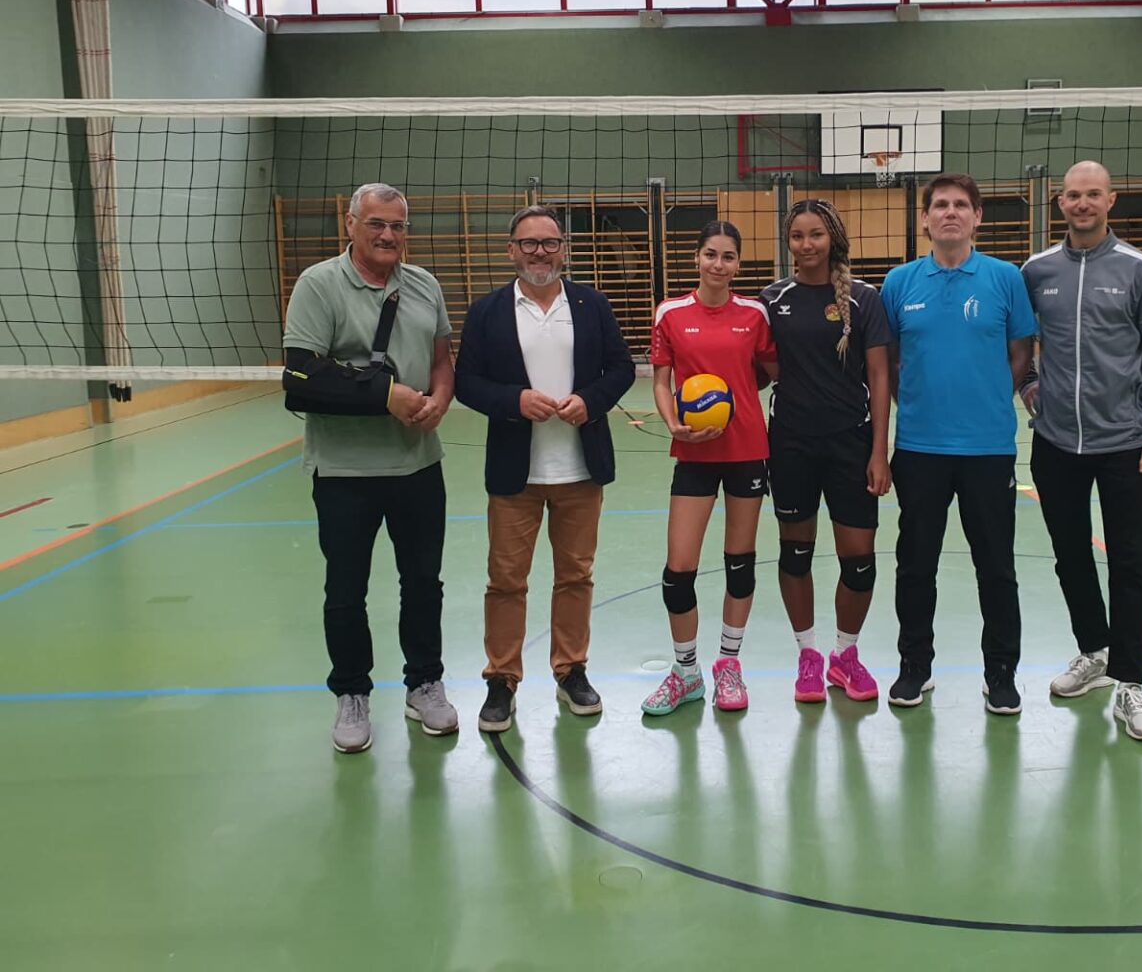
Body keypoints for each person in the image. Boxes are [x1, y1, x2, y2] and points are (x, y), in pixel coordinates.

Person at [281, 182, 459, 753]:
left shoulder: (424, 285)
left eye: (397, 226)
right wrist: (386, 396)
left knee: (423, 583)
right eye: (376, 223)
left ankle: (424, 684)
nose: (388, 235)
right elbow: (300, 376)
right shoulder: (319, 284)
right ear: (351, 225)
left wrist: (439, 399)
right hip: (344, 471)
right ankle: (352, 694)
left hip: (417, 465)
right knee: (346, 590)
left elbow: (441, 360)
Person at [454, 205, 637, 732]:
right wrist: (514, 400)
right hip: (516, 473)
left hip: (580, 469)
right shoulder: (487, 311)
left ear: (563, 250)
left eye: (550, 243)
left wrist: (590, 401)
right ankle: (501, 680)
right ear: (511, 250)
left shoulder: (591, 304)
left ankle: (571, 671)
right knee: (506, 580)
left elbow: (622, 367)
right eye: (529, 243)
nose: (540, 252)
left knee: (575, 575)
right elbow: (467, 382)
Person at [1022, 160, 1142, 741]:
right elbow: (1020, 343)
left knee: (1131, 565)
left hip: (1125, 445)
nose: (1082, 203)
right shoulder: (1037, 270)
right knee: (1070, 556)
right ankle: (1095, 651)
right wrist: (1028, 385)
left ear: (1110, 201)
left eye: (1093, 194)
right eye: (1072, 195)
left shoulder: (1140, 269)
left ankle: (1130, 683)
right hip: (1056, 442)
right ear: (1059, 203)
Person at [880, 172, 1037, 715]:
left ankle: (1001, 674)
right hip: (919, 449)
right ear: (924, 219)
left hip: (988, 449)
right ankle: (914, 668)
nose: (950, 212)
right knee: (915, 565)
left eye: (961, 205)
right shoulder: (899, 282)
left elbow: (1021, 352)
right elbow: (889, 361)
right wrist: (916, 404)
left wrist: (990, 398)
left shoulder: (1005, 278)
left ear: (977, 218)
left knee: (996, 568)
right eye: (940, 205)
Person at [760, 199, 892, 704]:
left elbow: (878, 375)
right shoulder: (772, 299)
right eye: (797, 236)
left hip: (851, 443)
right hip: (791, 443)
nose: (806, 244)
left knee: (859, 560)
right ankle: (808, 656)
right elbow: (757, 370)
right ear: (788, 242)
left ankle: (845, 655)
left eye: (816, 234)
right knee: (796, 554)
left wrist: (878, 452)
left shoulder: (864, 298)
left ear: (833, 237)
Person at [643, 220, 776, 716]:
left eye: (728, 256)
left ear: (738, 264)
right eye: (710, 254)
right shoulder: (671, 313)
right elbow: (661, 381)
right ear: (697, 258)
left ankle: (728, 665)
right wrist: (674, 423)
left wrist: (735, 395)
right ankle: (686, 674)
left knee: (739, 562)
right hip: (694, 453)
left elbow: (771, 372)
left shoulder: (755, 314)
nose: (718, 264)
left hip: (746, 449)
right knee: (679, 570)